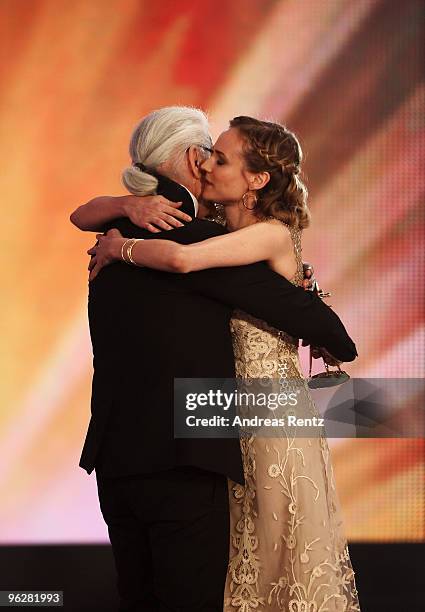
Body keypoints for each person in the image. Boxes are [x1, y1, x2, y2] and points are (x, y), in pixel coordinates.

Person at [74, 107, 358, 611]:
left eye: (220, 159)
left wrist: (120, 243)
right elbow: (330, 333)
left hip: (120, 455)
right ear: (189, 155)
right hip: (190, 459)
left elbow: (87, 217)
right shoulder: (200, 239)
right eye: (208, 154)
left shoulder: (111, 234)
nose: (208, 166)